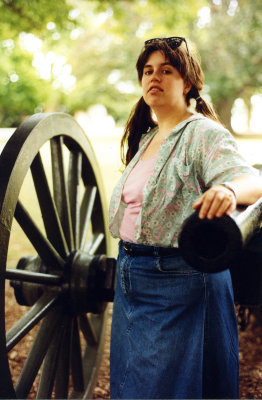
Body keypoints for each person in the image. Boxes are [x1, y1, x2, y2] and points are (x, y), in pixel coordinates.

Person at [108, 36, 262, 399]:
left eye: (166, 70)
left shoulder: (203, 133)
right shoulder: (148, 137)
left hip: (179, 281)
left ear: (187, 82)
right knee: (132, 384)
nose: (153, 78)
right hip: (131, 276)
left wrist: (227, 191)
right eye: (148, 71)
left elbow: (253, 181)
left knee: (162, 390)